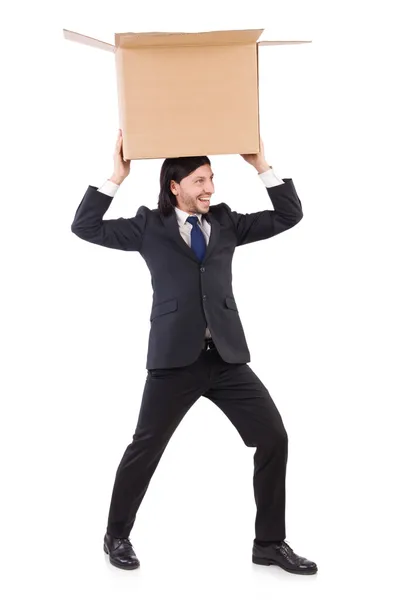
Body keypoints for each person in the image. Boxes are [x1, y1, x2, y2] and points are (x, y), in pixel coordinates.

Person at [71, 129, 317, 575]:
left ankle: (269, 543)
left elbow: (289, 215)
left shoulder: (225, 221)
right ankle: (116, 536)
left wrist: (261, 166)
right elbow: (84, 227)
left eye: (212, 179)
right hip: (173, 361)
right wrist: (116, 176)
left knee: (274, 437)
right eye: (200, 181)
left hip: (225, 359)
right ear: (175, 186)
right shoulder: (148, 226)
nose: (210, 189)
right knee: (145, 448)